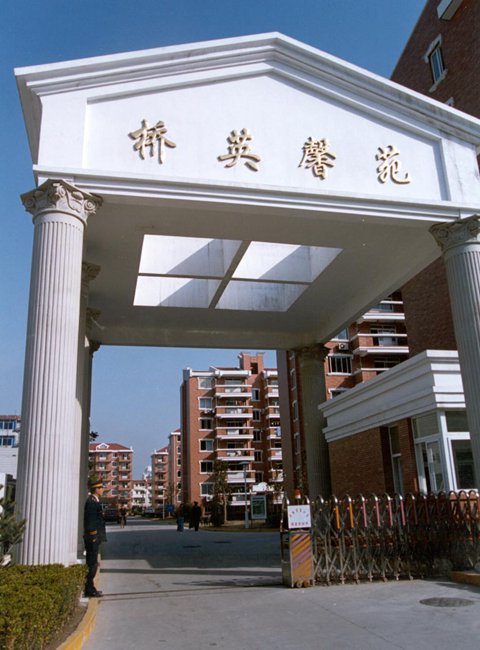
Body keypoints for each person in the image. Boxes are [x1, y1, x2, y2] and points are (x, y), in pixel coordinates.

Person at [83, 479, 107, 598]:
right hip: (93, 537)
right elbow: (90, 521)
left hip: (95, 536)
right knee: (92, 564)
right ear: (96, 489)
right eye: (101, 488)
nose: (102, 490)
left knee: (93, 563)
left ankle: (90, 587)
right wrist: (94, 535)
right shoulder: (91, 502)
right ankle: (89, 589)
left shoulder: (94, 501)